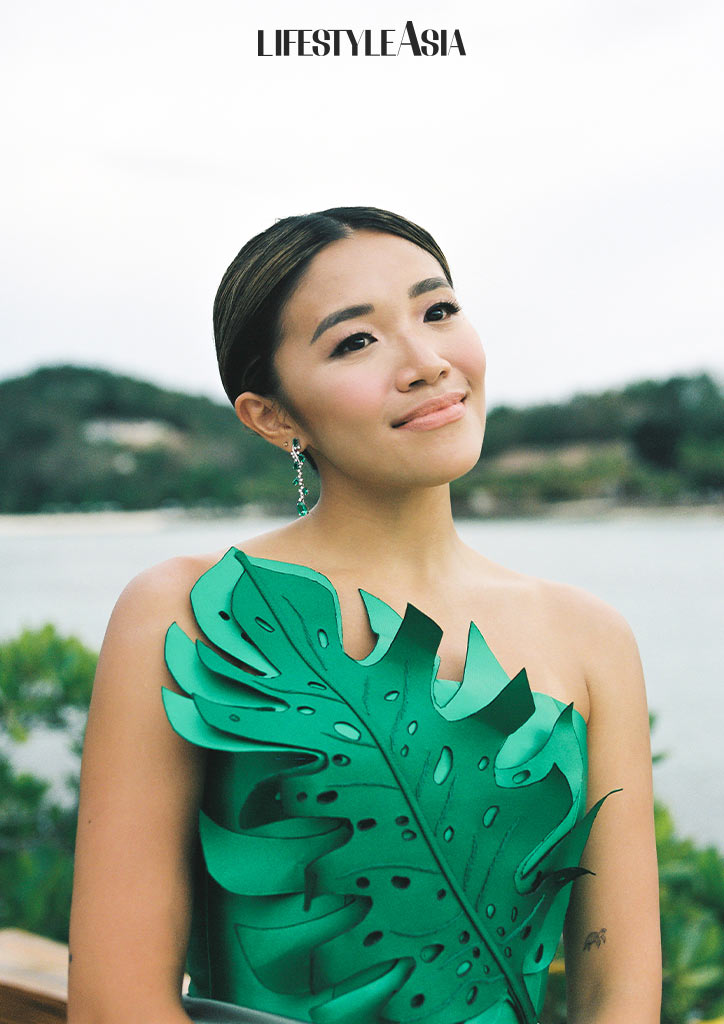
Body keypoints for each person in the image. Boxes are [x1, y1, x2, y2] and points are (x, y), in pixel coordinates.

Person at [67, 206, 662, 1024]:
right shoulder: (193, 613)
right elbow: (115, 1001)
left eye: (438, 310)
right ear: (274, 417)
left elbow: (619, 993)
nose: (425, 362)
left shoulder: (591, 636)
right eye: (356, 341)